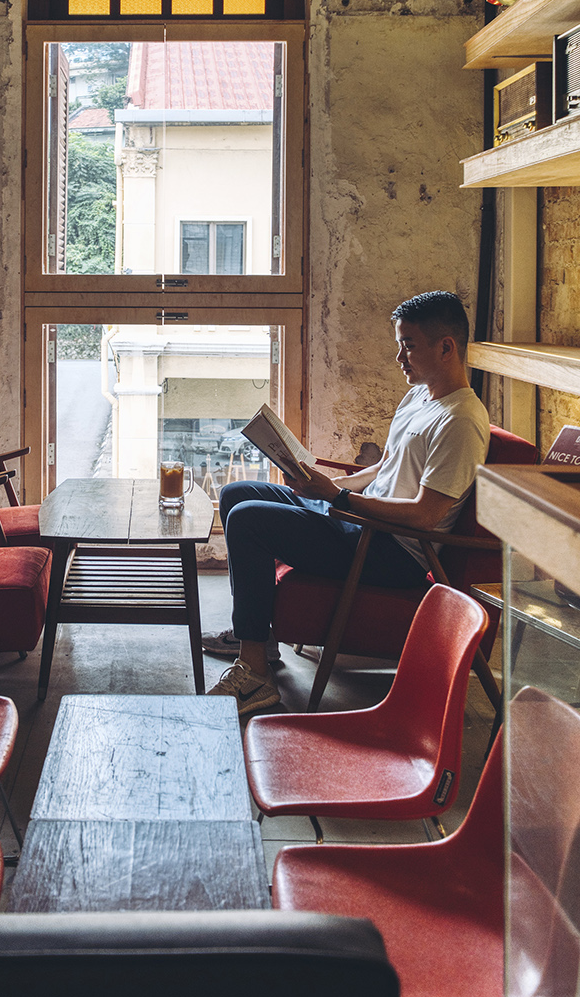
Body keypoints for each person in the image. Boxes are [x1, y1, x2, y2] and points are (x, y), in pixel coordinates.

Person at [204, 290, 491, 716]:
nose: (399, 358)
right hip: (357, 523)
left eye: (408, 346)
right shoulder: (419, 397)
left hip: (391, 552)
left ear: (446, 346)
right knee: (236, 493)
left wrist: (338, 497)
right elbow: (386, 469)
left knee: (248, 520)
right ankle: (259, 639)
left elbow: (425, 516)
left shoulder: (462, 422)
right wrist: (329, 484)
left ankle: (255, 675)